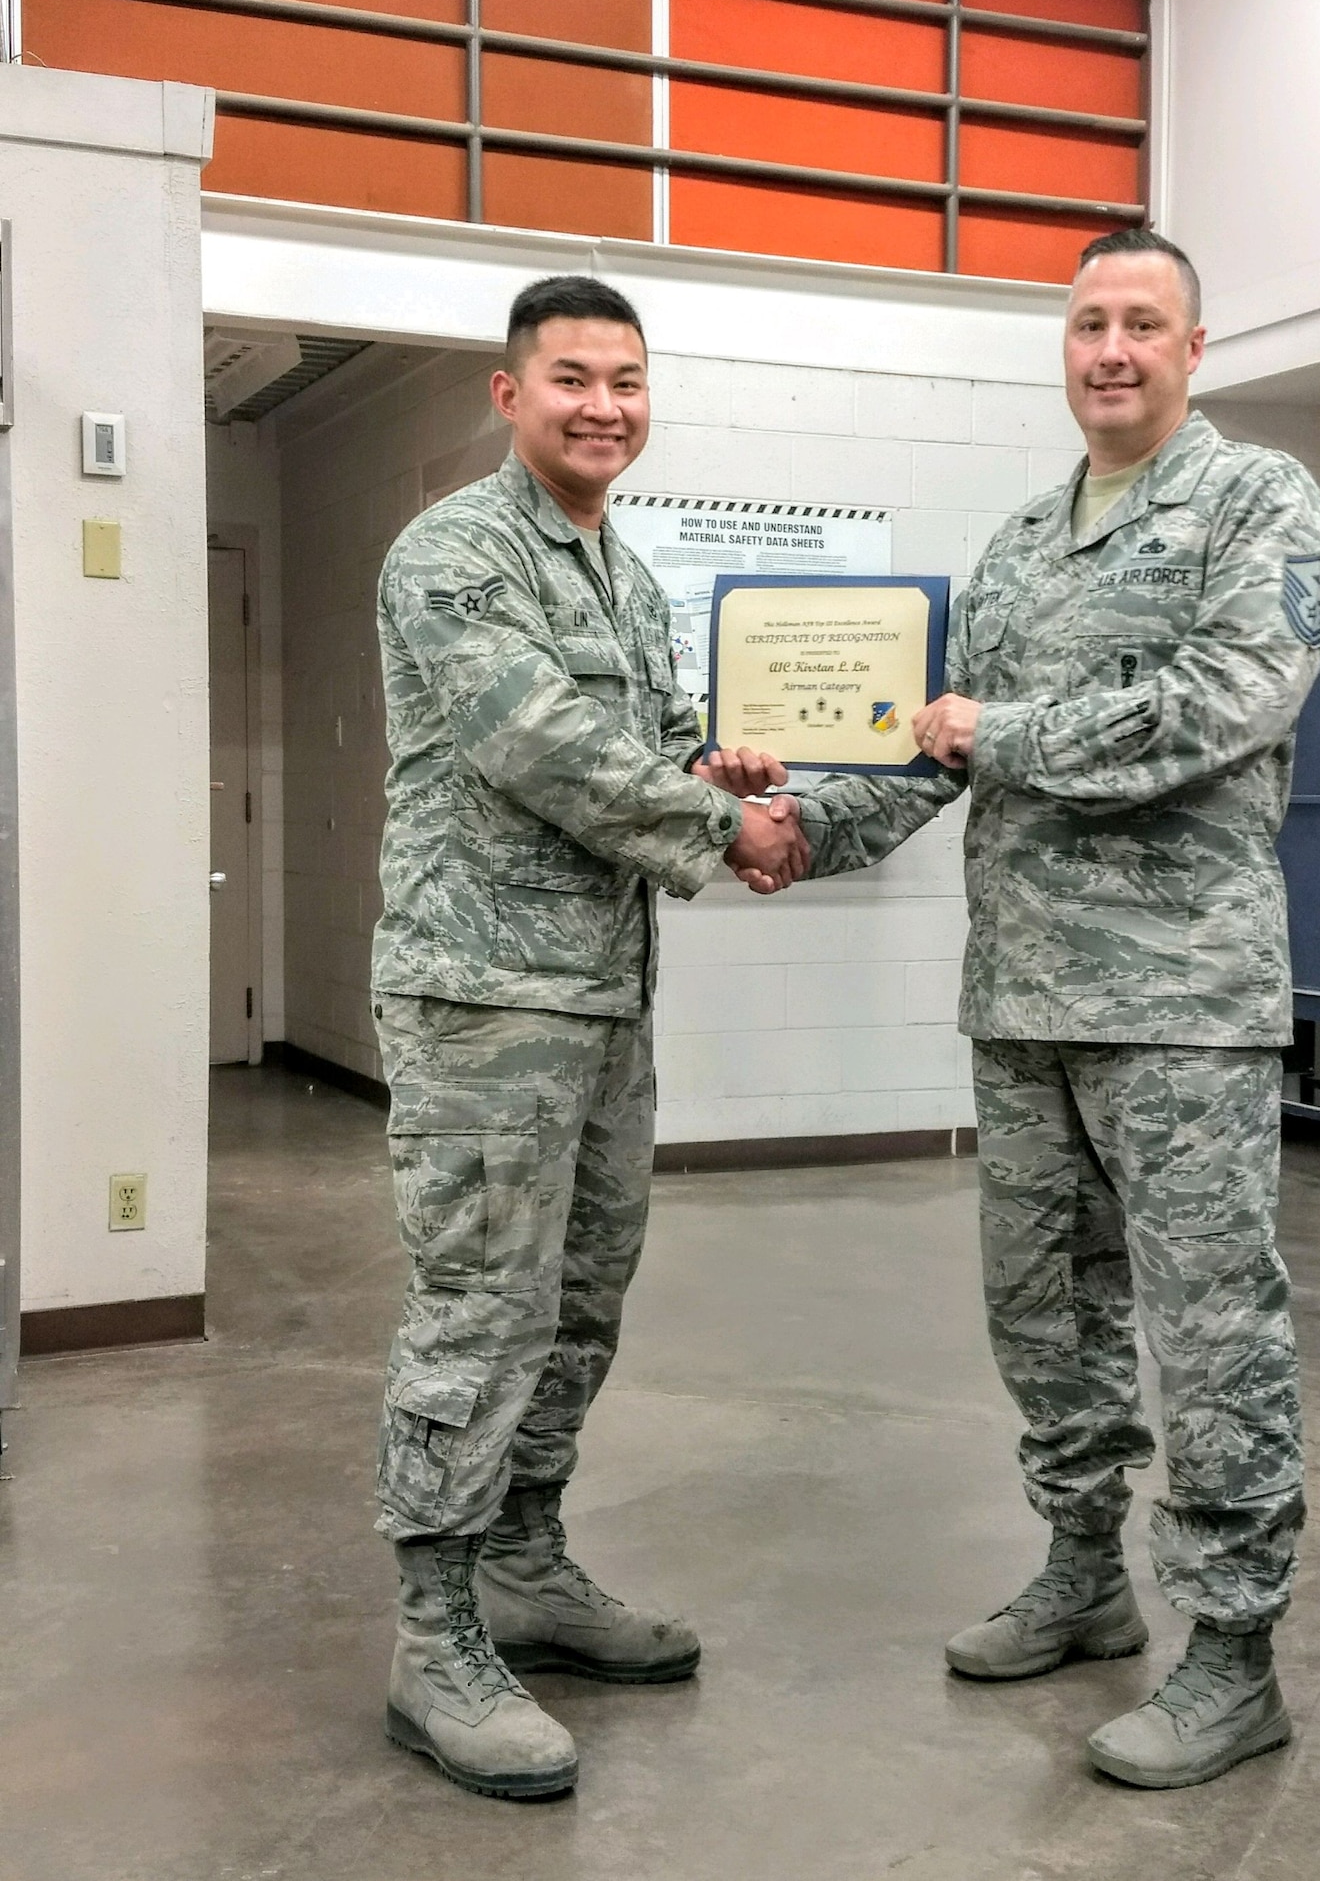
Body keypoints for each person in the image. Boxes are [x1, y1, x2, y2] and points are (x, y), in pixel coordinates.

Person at [752, 228, 1320, 1789]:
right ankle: (1084, 1578)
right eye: (1088, 325)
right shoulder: (1016, 543)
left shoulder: (1258, 500)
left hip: (1180, 1005)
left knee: (1214, 1333)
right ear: (1063, 349)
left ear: (1194, 349)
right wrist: (797, 830)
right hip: (1023, 1001)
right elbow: (940, 753)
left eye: (1144, 325)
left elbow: (1228, 703)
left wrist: (998, 726)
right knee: (1046, 1317)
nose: (1112, 351)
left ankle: (1232, 1655)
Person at [370, 274, 803, 1799]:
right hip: (485, 998)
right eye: (572, 378)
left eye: (627, 379)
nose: (604, 404)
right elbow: (540, 746)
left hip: (604, 993)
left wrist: (711, 756)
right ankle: (434, 1635)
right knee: (479, 1312)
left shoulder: (620, 570)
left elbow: (632, 741)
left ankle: (526, 1565)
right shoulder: (454, 553)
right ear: (510, 394)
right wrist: (725, 819)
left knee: (581, 1302)